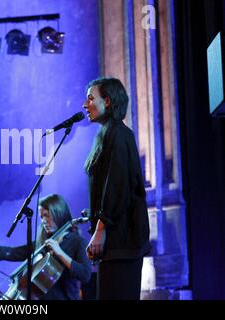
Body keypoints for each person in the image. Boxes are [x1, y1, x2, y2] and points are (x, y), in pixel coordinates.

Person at [82, 77, 152, 300]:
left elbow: (118, 185)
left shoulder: (120, 134)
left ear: (108, 101)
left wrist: (101, 229)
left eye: (91, 98)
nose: (85, 105)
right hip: (113, 245)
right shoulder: (106, 135)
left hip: (122, 244)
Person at [0, 194, 91, 300]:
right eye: (41, 217)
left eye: (47, 216)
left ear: (58, 214)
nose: (43, 221)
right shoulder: (42, 243)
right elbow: (10, 253)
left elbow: (85, 275)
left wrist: (60, 252)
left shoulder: (78, 242)